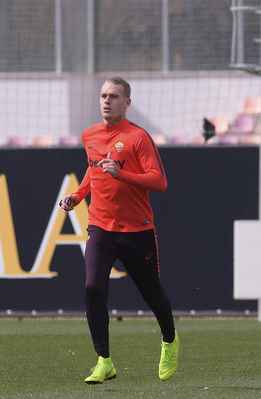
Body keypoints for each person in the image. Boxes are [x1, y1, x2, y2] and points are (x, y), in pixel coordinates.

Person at [60, 76, 179, 384]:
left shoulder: (138, 138)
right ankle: (104, 361)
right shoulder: (90, 135)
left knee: (151, 293)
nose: (106, 101)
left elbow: (160, 181)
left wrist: (123, 174)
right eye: (103, 95)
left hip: (136, 229)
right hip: (100, 226)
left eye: (113, 96)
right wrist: (78, 194)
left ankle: (169, 340)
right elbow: (93, 169)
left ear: (127, 103)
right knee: (92, 288)